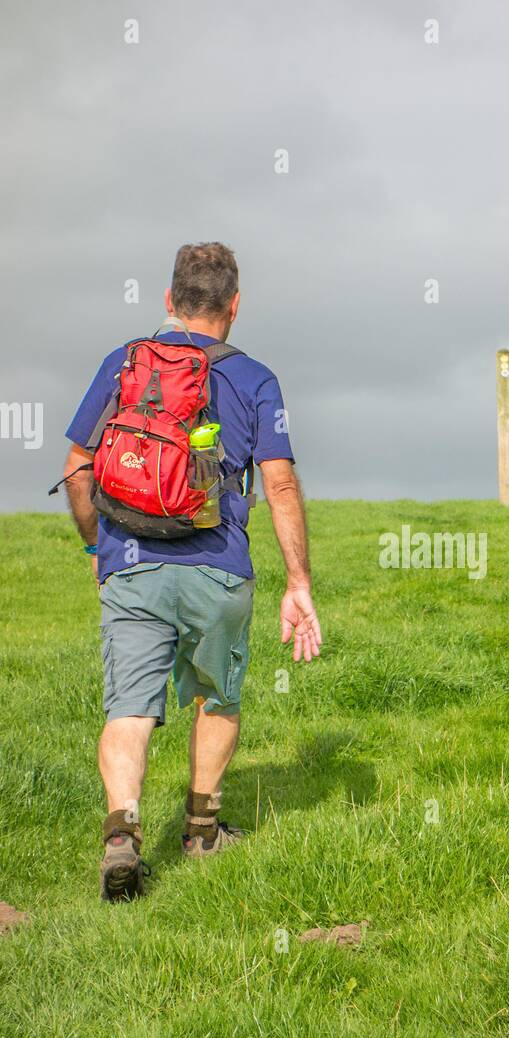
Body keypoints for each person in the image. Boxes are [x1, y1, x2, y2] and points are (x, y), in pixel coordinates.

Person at [62, 242, 321, 900]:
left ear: (169, 302)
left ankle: (122, 832)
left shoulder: (125, 363)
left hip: (132, 564)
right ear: (235, 306)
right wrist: (299, 584)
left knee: (129, 706)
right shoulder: (257, 378)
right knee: (218, 694)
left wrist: (100, 550)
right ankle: (202, 831)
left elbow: (77, 466)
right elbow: (282, 485)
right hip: (220, 569)